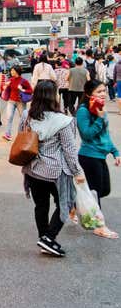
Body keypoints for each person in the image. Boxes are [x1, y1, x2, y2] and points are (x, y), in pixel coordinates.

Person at [21, 81, 87, 257]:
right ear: (55, 97)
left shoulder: (27, 116)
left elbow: (22, 137)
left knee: (41, 206)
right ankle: (48, 238)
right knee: (66, 203)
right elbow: (70, 151)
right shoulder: (64, 121)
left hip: (33, 169)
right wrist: (78, 172)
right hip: (55, 172)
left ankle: (44, 239)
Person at [76, 80, 121, 238]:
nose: (103, 93)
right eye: (99, 91)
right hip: (89, 156)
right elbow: (87, 134)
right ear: (89, 94)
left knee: (104, 189)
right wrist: (100, 118)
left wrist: (115, 152)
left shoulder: (102, 108)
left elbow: (105, 135)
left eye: (103, 91)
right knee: (95, 192)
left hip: (100, 156)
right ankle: (99, 226)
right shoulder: (83, 111)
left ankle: (74, 207)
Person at [2, 66, 33, 141]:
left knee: (24, 118)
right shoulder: (10, 80)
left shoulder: (24, 81)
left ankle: (25, 134)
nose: (11, 72)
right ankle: (8, 134)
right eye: (11, 71)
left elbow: (30, 90)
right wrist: (6, 86)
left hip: (20, 102)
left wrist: (22, 89)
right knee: (9, 117)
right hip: (11, 101)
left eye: (13, 71)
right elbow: (4, 89)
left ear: (17, 71)